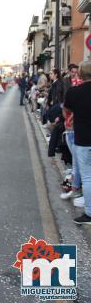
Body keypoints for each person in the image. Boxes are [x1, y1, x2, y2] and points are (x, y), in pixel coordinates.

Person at [63, 61, 91, 225]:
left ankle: (88, 213)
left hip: (83, 140)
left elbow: (66, 110)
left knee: (87, 177)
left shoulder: (74, 92)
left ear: (79, 74)